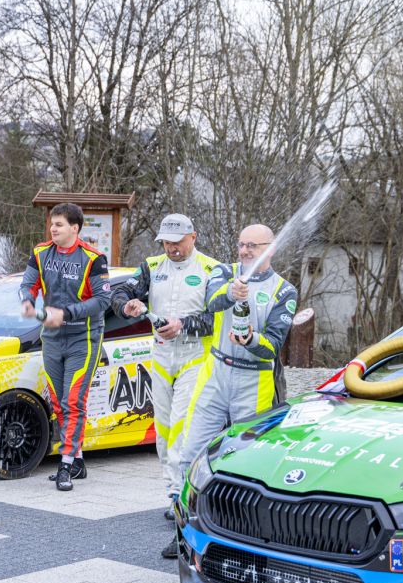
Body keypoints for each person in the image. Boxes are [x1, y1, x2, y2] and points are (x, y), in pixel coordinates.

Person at [170, 224, 298, 558]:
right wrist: (231, 292)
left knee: (249, 463)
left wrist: (251, 339)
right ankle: (183, 531)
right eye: (242, 244)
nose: (245, 251)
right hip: (216, 372)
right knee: (190, 453)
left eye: (253, 246)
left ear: (270, 249)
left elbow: (273, 346)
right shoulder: (224, 272)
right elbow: (211, 302)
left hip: (254, 380)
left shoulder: (284, 290)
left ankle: (244, 538)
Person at [111, 214, 218, 522]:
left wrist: (182, 325)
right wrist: (127, 306)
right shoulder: (152, 266)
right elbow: (121, 293)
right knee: (164, 427)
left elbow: (217, 318)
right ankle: (172, 490)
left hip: (195, 356)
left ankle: (183, 492)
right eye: (166, 243)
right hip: (160, 355)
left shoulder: (212, 269)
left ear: (193, 237)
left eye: (178, 242)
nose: (172, 248)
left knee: (182, 425)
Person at [19, 203, 111, 491]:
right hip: (51, 338)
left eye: (59, 224)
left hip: (83, 339)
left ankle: (65, 465)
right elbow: (27, 284)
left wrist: (66, 313)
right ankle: (78, 460)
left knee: (73, 402)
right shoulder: (40, 252)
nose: (53, 228)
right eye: (51, 223)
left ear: (75, 228)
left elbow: (103, 301)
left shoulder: (94, 258)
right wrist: (27, 301)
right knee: (59, 403)